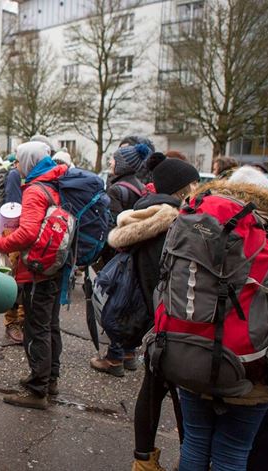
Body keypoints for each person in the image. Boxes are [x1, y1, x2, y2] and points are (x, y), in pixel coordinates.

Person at [172, 165, 268, 470]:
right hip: (249, 366)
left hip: (189, 353)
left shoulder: (193, 221)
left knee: (195, 440)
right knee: (232, 451)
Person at [104, 155, 200, 471]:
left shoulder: (144, 214)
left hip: (145, 318)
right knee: (185, 400)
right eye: (194, 183)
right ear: (182, 188)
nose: (198, 188)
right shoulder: (176, 223)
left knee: (151, 392)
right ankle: (192, 460)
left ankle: (143, 461)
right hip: (168, 320)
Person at [0, 142, 67, 410]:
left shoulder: (36, 190)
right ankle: (50, 379)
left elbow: (27, 234)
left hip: (37, 270)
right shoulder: (56, 183)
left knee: (36, 328)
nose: (16, 166)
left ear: (29, 161)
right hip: (56, 265)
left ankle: (38, 390)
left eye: (19, 160)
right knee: (51, 325)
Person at [91, 142, 153, 377]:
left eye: (114, 159)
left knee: (113, 306)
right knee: (131, 304)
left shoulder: (116, 190)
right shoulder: (141, 187)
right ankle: (128, 353)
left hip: (118, 255)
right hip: (137, 254)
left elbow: (111, 226)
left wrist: (102, 255)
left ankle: (114, 357)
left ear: (124, 163)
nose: (110, 163)